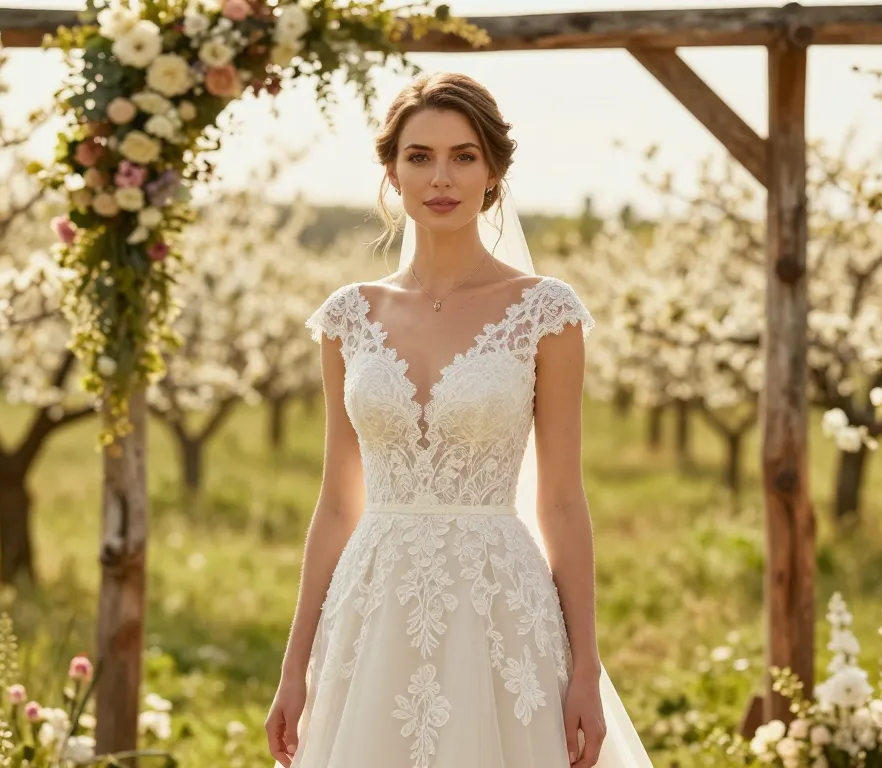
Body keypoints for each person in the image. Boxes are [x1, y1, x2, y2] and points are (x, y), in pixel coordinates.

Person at [264, 72, 653, 768]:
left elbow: (562, 501)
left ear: (493, 171)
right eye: (419, 157)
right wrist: (295, 666)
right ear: (392, 171)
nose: (441, 177)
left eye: (463, 156)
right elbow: (337, 503)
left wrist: (586, 667)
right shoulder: (349, 316)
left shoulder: (546, 312)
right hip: (371, 610)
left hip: (497, 607)